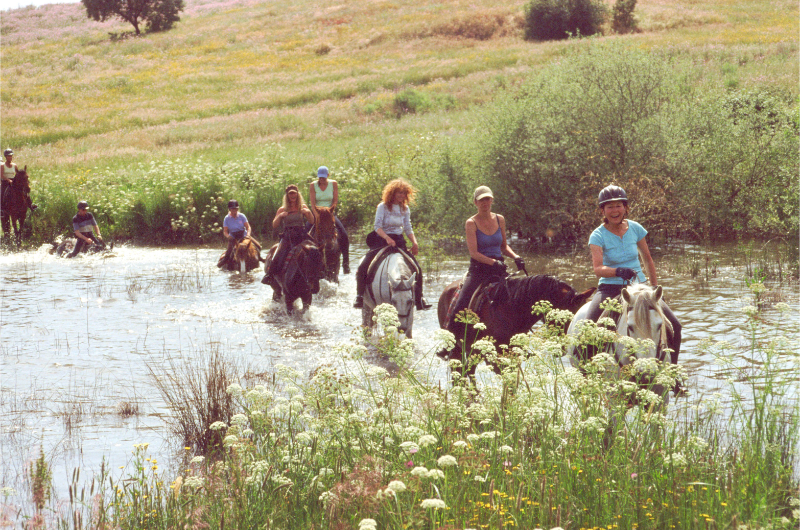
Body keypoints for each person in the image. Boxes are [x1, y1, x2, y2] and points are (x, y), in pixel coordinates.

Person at [584, 184, 682, 366]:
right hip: (610, 288)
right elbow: (598, 269)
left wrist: (653, 287)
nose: (615, 210)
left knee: (675, 325)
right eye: (610, 207)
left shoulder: (636, 228)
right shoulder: (597, 235)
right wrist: (617, 271)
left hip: (640, 287)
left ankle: (673, 373)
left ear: (626, 207)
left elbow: (647, 258)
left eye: (618, 205)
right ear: (603, 211)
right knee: (589, 326)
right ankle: (587, 373)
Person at [445, 185, 525, 341]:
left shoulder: (499, 219)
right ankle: (450, 343)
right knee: (461, 303)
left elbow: (503, 246)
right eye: (481, 200)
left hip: (499, 269)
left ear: (492, 200)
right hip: (478, 270)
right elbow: (474, 253)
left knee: (520, 299)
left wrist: (516, 257)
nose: (485, 203)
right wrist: (493, 262)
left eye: (487, 199)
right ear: (475, 202)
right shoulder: (471, 223)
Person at [353, 178, 431, 310]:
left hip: (399, 241)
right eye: (398, 193)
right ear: (392, 193)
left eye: (403, 193)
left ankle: (420, 298)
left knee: (417, 268)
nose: (401, 196)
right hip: (381, 240)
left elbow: (407, 227)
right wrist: (387, 238)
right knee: (364, 265)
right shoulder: (382, 207)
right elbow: (377, 226)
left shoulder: (405, 209)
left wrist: (414, 242)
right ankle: (359, 296)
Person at [262, 185, 315, 296]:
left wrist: (308, 213)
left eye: (294, 193)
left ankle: (320, 272)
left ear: (297, 194)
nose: (293, 195)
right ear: (287, 195)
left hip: (301, 235)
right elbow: (274, 225)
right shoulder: (282, 209)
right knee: (278, 254)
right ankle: (269, 275)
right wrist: (280, 216)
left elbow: (312, 221)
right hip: (288, 236)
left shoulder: (303, 206)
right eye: (290, 193)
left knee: (315, 250)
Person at [308, 166, 350, 274]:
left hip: (329, 213)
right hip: (317, 213)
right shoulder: (313, 185)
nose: (322, 179)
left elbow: (335, 201)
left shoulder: (333, 184)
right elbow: (312, 204)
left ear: (328, 175)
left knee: (344, 235)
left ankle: (346, 263)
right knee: (304, 234)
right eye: (320, 177)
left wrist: (329, 212)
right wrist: (316, 215)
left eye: (324, 177)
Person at [218, 200, 261, 268]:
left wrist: (248, 235)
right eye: (233, 209)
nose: (234, 210)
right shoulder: (226, 218)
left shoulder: (242, 216)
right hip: (233, 237)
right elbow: (225, 231)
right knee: (228, 253)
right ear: (229, 209)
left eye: (236, 209)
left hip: (243, 235)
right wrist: (228, 236)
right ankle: (223, 263)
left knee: (258, 246)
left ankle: (259, 259)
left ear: (238, 209)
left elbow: (248, 227)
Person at [1, 149, 17, 215]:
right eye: (8, 156)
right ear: (5, 157)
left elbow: (17, 174)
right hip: (5, 182)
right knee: (2, 193)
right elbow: (1, 175)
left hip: (13, 181)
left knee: (23, 191)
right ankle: (1, 209)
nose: (10, 157)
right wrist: (8, 180)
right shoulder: (2, 165)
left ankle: (30, 204)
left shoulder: (14, 165)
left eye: (11, 156)